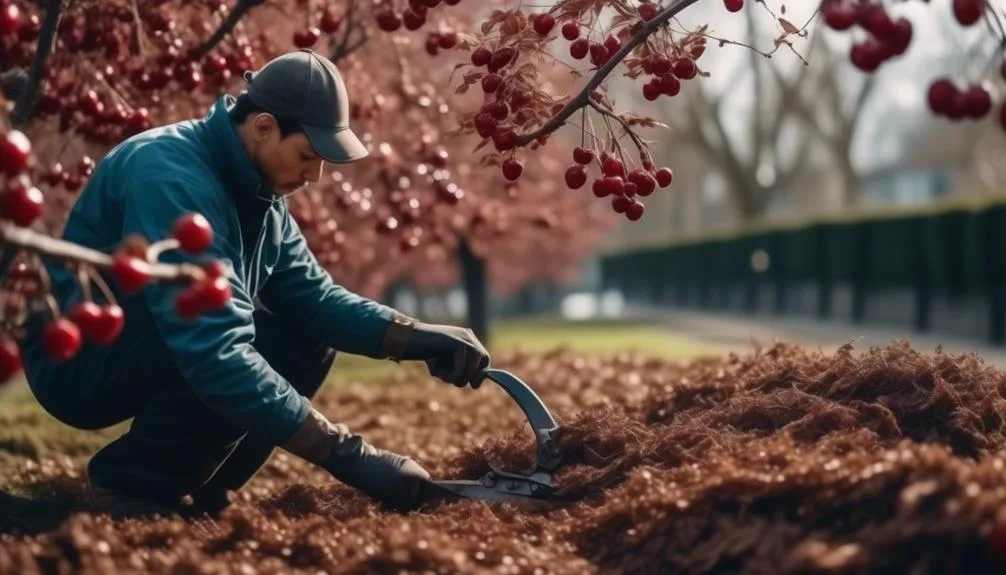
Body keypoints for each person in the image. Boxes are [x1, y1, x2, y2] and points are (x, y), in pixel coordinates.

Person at [18, 49, 491, 518]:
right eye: (307, 155)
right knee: (228, 348)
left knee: (305, 339)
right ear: (264, 127)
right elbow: (214, 349)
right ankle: (131, 483)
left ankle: (205, 485)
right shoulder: (171, 176)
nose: (315, 175)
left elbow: (316, 301)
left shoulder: (261, 194)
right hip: (81, 359)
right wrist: (351, 458)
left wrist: (419, 338)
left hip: (154, 342)